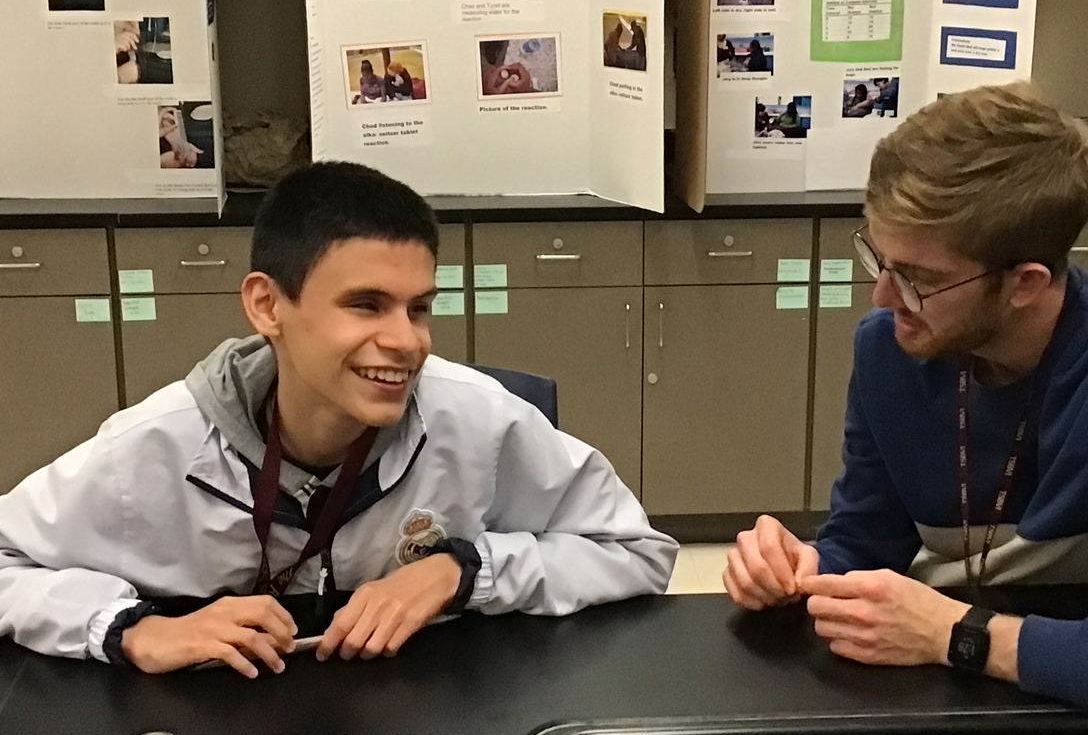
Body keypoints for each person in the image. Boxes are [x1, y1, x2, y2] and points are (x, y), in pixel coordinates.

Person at [0, 162, 677, 678]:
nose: (408, 341)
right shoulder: (153, 447)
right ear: (268, 307)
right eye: (366, 304)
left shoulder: (480, 420)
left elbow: (637, 552)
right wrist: (125, 627)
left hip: (423, 726)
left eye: (417, 308)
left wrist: (466, 570)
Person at [724, 83, 1088, 733]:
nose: (882, 299)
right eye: (878, 259)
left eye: (918, 278)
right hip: (952, 713)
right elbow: (866, 545)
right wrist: (802, 573)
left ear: (1025, 283)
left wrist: (955, 633)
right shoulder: (893, 353)